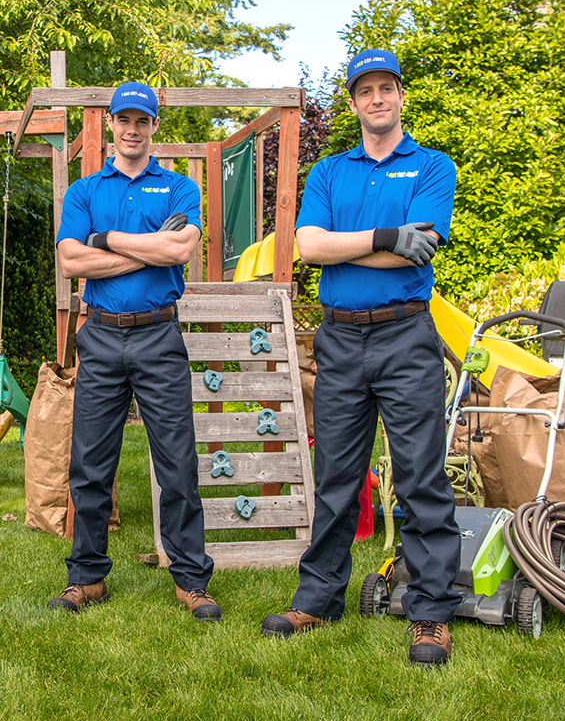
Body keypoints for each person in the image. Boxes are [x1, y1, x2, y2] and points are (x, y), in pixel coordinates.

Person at [260, 49, 462, 667]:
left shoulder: (432, 165)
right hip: (341, 340)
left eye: (386, 88)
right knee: (338, 478)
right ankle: (319, 599)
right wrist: (382, 238)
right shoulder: (328, 173)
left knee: (421, 476)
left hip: (406, 336)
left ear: (400, 97)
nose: (376, 99)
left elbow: (420, 248)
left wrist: (370, 247)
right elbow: (309, 247)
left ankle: (430, 612)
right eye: (365, 90)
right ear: (353, 102)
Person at [48, 82, 220, 622]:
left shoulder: (178, 187)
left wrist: (104, 239)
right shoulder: (84, 191)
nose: (131, 129)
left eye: (141, 121)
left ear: (153, 128)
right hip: (99, 335)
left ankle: (191, 579)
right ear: (112, 126)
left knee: (177, 460)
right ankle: (87, 576)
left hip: (158, 335)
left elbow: (180, 248)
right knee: (91, 460)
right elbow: (71, 263)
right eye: (123, 120)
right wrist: (145, 250)